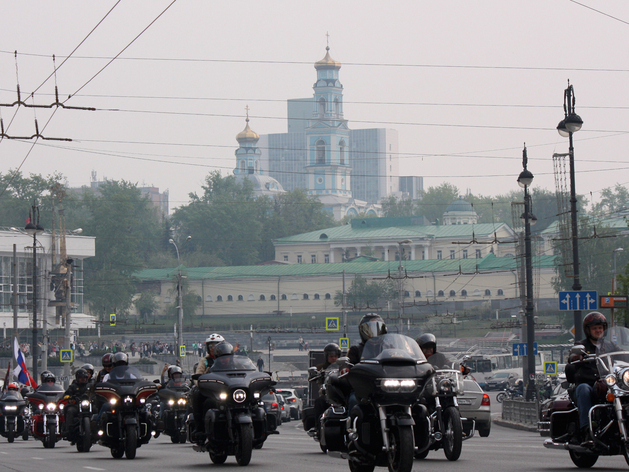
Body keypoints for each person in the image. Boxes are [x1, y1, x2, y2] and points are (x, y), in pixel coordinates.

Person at [565, 312, 619, 443]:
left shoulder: (610, 346)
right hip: (588, 383)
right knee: (583, 389)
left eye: (600, 327)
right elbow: (571, 357)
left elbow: (621, 354)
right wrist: (575, 357)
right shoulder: (581, 345)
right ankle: (586, 428)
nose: (598, 330)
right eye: (594, 328)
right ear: (588, 330)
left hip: (607, 382)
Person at [347, 314, 387, 411]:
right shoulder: (355, 350)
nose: (374, 333)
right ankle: (351, 425)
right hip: (363, 388)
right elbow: (348, 367)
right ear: (362, 331)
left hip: (386, 387)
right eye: (369, 329)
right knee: (353, 400)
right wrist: (347, 369)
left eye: (377, 328)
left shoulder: (389, 348)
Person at [191, 333, 225, 440]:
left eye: (216, 345)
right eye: (210, 346)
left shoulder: (228, 359)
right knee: (197, 393)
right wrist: (202, 383)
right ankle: (199, 428)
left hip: (226, 388)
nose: (213, 348)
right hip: (210, 390)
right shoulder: (204, 360)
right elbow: (198, 376)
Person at [312, 343, 341, 432]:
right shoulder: (321, 367)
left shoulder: (343, 367)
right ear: (326, 357)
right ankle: (317, 427)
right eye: (331, 356)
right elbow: (312, 377)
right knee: (319, 402)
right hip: (327, 393)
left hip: (340, 392)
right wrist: (316, 375)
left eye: (336, 356)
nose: (334, 358)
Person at [62, 368, 91, 437]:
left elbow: (95, 393)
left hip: (88, 405)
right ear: (77, 378)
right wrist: (69, 398)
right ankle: (68, 429)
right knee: (70, 410)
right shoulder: (73, 386)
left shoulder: (90, 386)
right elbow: (66, 394)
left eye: (85, 377)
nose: (83, 379)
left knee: (97, 410)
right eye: (81, 377)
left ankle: (98, 428)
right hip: (76, 405)